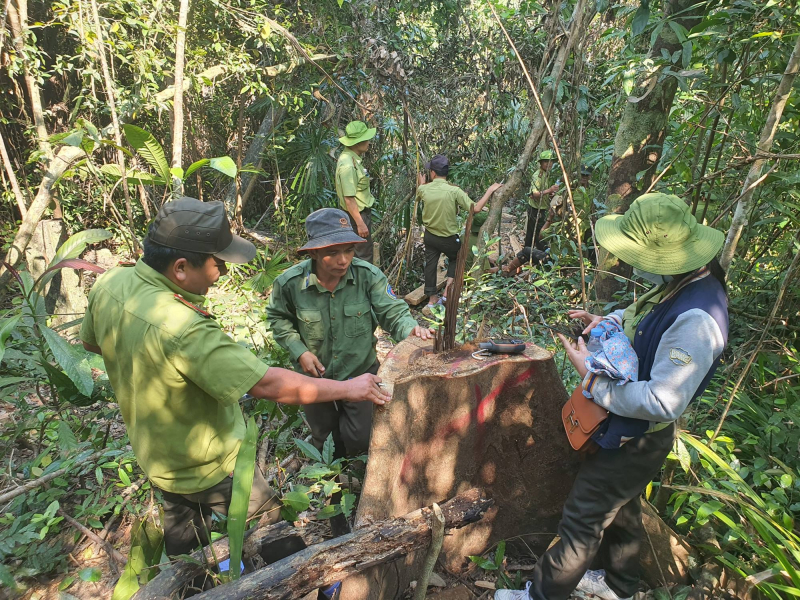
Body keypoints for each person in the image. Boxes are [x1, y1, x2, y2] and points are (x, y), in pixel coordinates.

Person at [79, 198, 390, 565]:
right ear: (180, 267)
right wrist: (351, 387)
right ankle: (301, 586)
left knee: (186, 551)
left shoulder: (112, 282)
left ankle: (192, 587)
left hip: (157, 458)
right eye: (218, 263)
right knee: (272, 530)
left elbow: (91, 342)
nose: (223, 273)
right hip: (213, 462)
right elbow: (267, 385)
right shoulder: (185, 329)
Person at [496, 193, 729, 600]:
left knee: (583, 517)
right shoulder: (685, 281)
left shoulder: (697, 319)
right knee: (622, 506)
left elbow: (664, 400)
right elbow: (644, 314)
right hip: (634, 432)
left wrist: (593, 381)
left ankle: (540, 595)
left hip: (636, 436)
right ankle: (620, 584)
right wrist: (606, 322)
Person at [267, 208, 433, 461]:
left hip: (361, 373)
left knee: (362, 436)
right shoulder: (290, 284)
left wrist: (411, 329)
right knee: (324, 436)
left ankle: (356, 470)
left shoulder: (368, 276)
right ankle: (332, 479)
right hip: (315, 377)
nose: (343, 260)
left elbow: (393, 312)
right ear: (313, 252)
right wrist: (299, 351)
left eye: (348, 250)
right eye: (332, 252)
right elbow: (278, 318)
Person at [416, 154, 502, 314]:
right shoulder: (454, 191)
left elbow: (421, 193)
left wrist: (422, 184)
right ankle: (448, 293)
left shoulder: (423, 189)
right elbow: (475, 209)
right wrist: (490, 190)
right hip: (448, 238)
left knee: (431, 264)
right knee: (457, 256)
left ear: (432, 173)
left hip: (430, 236)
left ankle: (432, 300)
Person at [336, 120, 377, 263]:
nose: (369, 142)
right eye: (366, 139)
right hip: (356, 216)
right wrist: (360, 223)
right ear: (357, 142)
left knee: (360, 255)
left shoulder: (352, 159)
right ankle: (364, 285)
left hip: (357, 215)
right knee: (363, 257)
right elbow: (349, 198)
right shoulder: (348, 165)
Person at [524, 150, 559, 248]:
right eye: (546, 162)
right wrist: (549, 190)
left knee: (531, 232)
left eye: (551, 161)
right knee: (540, 232)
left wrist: (550, 193)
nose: (549, 164)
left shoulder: (545, 174)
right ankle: (540, 255)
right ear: (541, 163)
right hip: (535, 209)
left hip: (540, 208)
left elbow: (542, 191)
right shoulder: (538, 176)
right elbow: (534, 194)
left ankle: (527, 252)